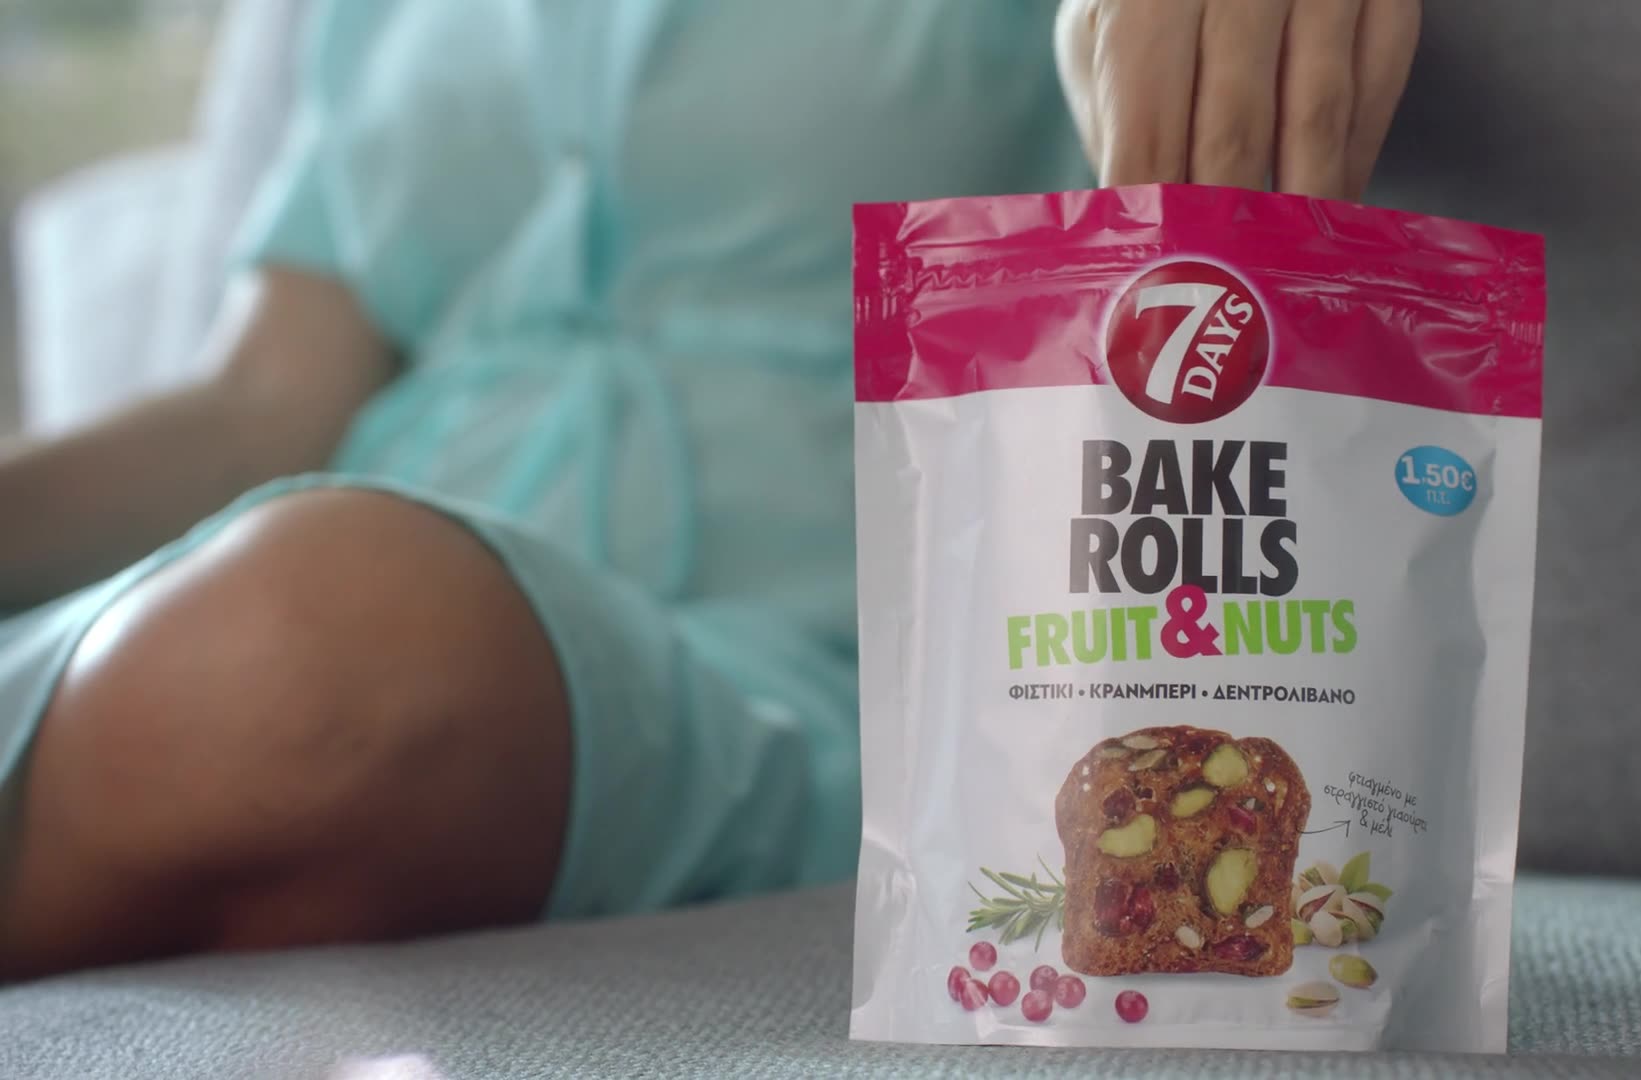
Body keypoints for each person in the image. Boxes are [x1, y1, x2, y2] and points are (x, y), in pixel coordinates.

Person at [0, 0, 1418, 980]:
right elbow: (264, 398)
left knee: (310, 647)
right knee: (271, 630)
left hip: (798, 675)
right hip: (260, 576)